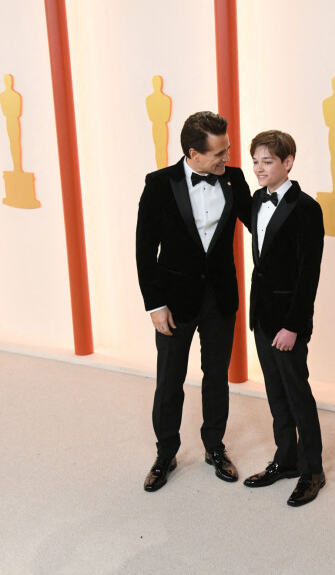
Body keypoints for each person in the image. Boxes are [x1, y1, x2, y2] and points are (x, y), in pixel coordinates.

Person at [136, 111, 251, 492]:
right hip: (173, 300)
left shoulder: (234, 178)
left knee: (216, 377)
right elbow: (143, 249)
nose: (226, 158)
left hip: (220, 297)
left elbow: (258, 220)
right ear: (193, 153)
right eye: (219, 153)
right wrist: (155, 305)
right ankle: (166, 453)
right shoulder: (158, 184)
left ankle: (214, 448)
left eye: (228, 149)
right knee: (169, 379)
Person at [242, 130, 325, 507]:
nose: (259, 168)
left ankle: (312, 470)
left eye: (268, 161)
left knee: (297, 393)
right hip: (262, 315)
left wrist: (293, 326)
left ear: (288, 162)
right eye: (255, 161)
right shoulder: (257, 199)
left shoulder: (306, 208)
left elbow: (309, 275)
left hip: (288, 321)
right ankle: (286, 459)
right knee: (275, 392)